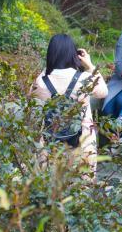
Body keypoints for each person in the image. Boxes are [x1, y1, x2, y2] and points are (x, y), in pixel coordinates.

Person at [30, 34, 107, 173]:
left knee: (51, 189)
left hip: (50, 143)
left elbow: (31, 93)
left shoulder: (42, 82)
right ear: (73, 54)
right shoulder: (84, 78)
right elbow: (103, 92)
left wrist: (48, 67)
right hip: (83, 142)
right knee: (83, 187)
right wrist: (89, 65)